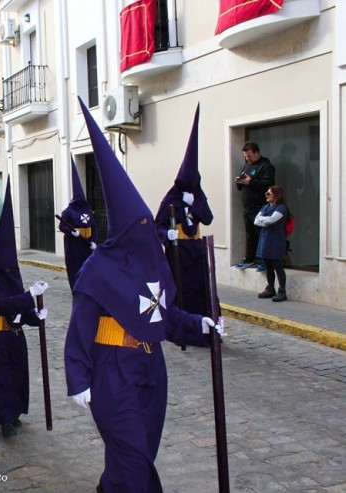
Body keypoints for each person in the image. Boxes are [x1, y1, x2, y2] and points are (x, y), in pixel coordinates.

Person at [65, 99, 224, 492]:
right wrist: (78, 379)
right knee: (134, 462)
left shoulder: (153, 264)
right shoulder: (98, 269)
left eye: (144, 223)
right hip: (113, 372)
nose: (142, 231)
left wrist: (199, 326)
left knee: (134, 457)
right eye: (135, 225)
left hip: (152, 371)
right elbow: (79, 330)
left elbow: (165, 318)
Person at [0, 176, 49, 438]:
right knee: (1, 378)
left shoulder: (12, 276)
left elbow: (20, 311)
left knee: (19, 375)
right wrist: (30, 295)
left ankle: (17, 411)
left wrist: (36, 316)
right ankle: (5, 420)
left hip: (16, 337)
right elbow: (3, 305)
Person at [154, 105, 214, 317]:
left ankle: (203, 323)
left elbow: (207, 218)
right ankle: (179, 323)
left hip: (195, 249)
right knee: (178, 289)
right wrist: (165, 235)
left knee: (199, 289)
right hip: (177, 251)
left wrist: (195, 203)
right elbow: (157, 225)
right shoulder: (170, 199)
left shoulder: (198, 196)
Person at [235, 141, 275, 271]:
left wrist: (250, 182)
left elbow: (268, 184)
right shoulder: (246, 166)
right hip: (247, 207)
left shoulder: (266, 166)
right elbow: (241, 187)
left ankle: (264, 260)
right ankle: (249, 258)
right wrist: (240, 181)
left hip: (260, 207)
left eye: (250, 156)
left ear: (257, 153)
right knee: (250, 234)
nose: (248, 159)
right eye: (246, 156)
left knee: (262, 234)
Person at [59, 157, 97, 291]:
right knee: (75, 265)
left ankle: (87, 285)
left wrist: (94, 241)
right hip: (74, 244)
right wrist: (72, 232)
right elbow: (62, 226)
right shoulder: (68, 212)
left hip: (86, 243)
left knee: (87, 264)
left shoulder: (88, 211)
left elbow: (94, 226)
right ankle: (75, 287)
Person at [255, 185, 289, 302]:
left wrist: (263, 220)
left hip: (276, 241)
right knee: (268, 266)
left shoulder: (281, 208)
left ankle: (282, 291)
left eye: (269, 193)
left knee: (278, 266)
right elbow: (255, 221)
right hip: (265, 240)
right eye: (266, 193)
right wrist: (266, 221)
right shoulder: (265, 207)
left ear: (276, 195)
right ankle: (270, 288)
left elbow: (272, 220)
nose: (266, 195)